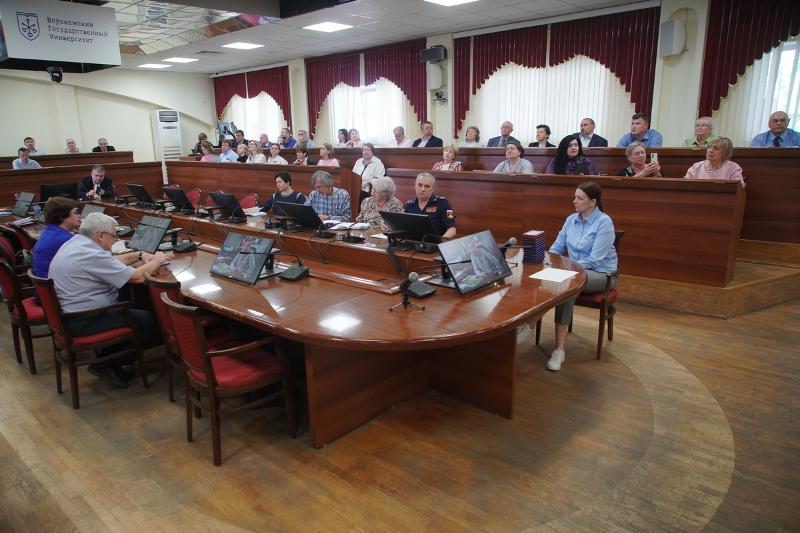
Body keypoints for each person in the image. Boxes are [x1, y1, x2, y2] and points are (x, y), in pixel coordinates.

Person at [49, 212, 167, 387]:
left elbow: (110, 261)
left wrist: (140, 255)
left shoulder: (76, 244)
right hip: (84, 320)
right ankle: (108, 364)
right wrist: (157, 260)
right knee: (150, 321)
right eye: (113, 236)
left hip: (71, 316)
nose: (115, 240)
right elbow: (137, 277)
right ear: (100, 235)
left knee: (137, 312)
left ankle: (108, 361)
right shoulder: (90, 254)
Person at [547, 182, 618, 372]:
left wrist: (566, 268)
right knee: (557, 282)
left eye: (579, 198)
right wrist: (548, 260)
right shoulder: (571, 219)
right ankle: (530, 323)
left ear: (592, 202)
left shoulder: (604, 222)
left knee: (568, 284)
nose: (574, 201)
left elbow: (595, 260)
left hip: (601, 275)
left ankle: (559, 349)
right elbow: (557, 247)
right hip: (574, 272)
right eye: (575, 197)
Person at [31, 197, 81, 284]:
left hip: (46, 287)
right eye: (75, 213)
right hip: (55, 287)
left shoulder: (48, 231)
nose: (79, 216)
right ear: (62, 216)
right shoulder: (66, 239)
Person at [403, 172, 456, 238]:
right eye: (419, 185)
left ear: (433, 189)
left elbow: (452, 229)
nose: (422, 189)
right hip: (412, 242)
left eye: (427, 186)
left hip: (434, 243)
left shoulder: (444, 204)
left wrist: (441, 242)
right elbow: (402, 227)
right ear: (415, 185)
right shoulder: (409, 205)